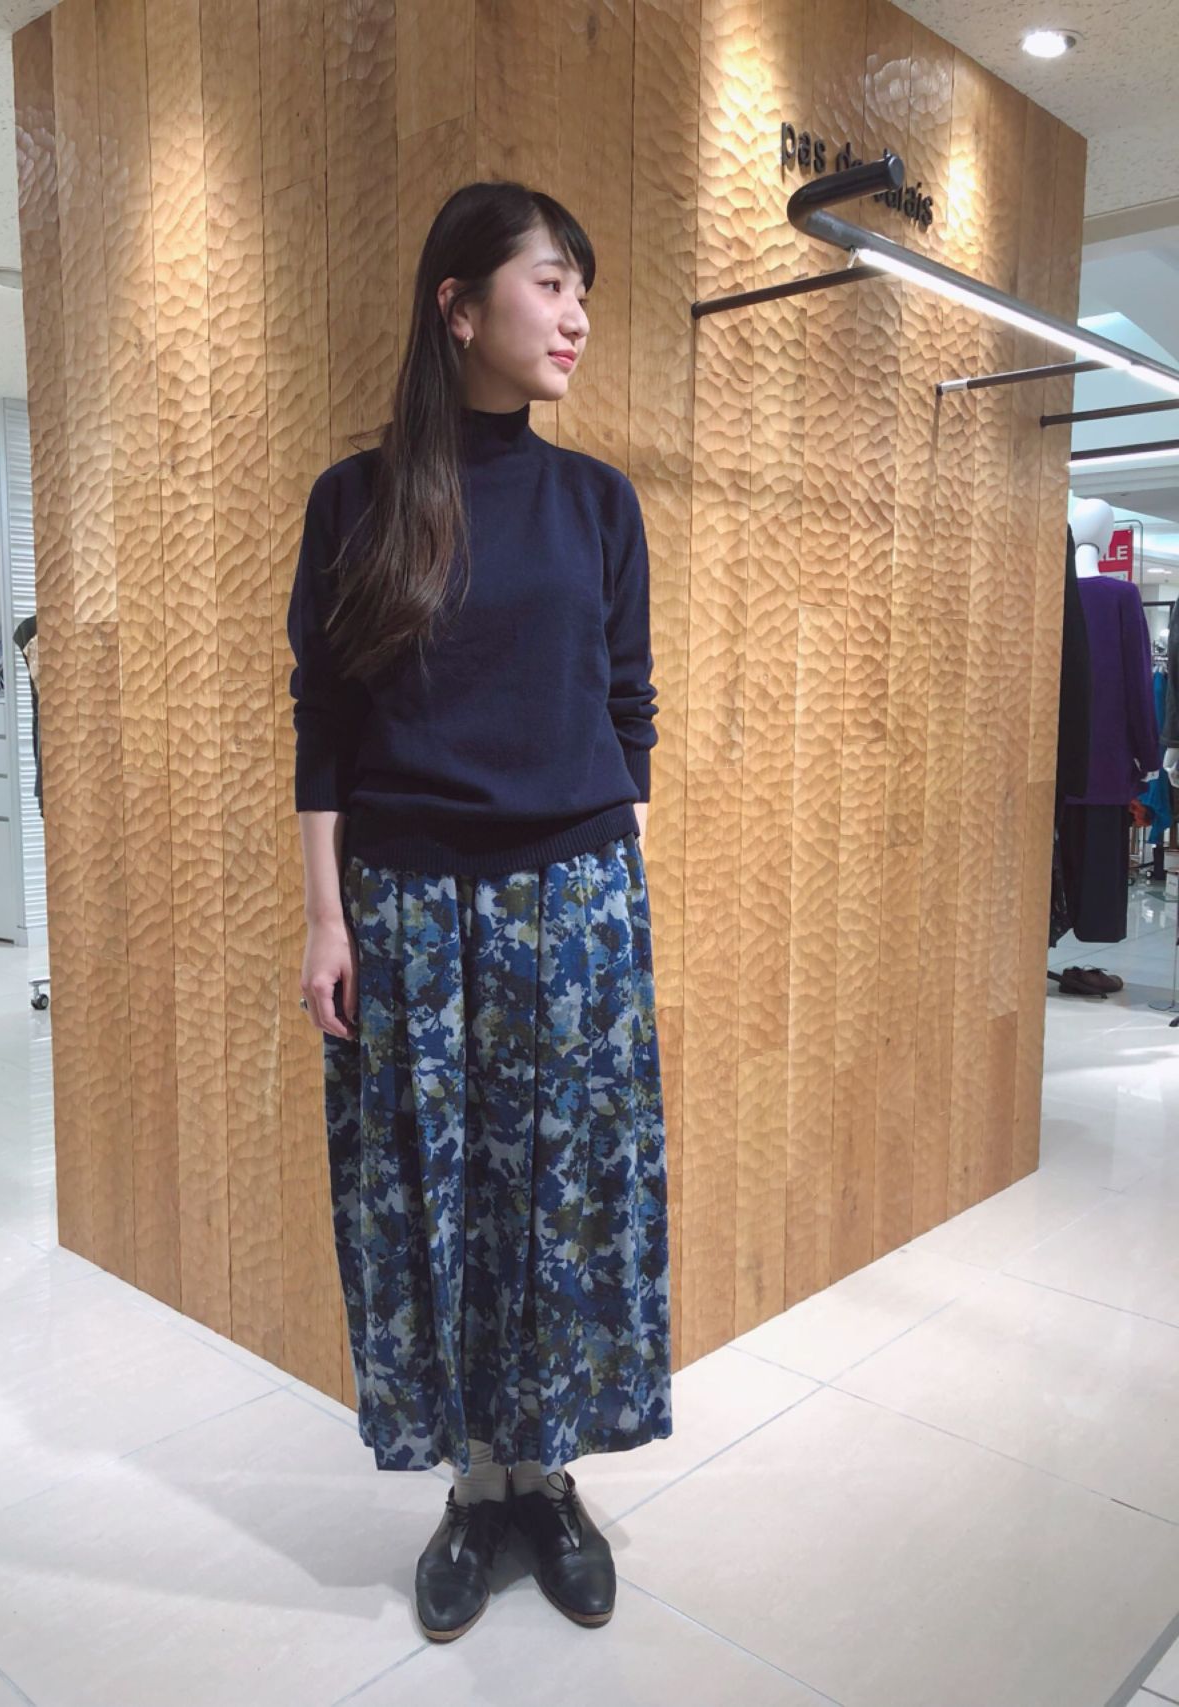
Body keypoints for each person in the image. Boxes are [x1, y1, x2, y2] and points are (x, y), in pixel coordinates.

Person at [286, 179, 673, 1644]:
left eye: (583, 292)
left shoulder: (599, 504)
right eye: (551, 284)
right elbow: (324, 726)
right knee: (434, 1201)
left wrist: (611, 881)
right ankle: (472, 1488)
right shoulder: (356, 501)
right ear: (459, 306)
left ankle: (548, 1482)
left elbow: (631, 710)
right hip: (406, 908)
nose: (576, 318)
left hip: (575, 906)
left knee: (564, 1204)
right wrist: (327, 919)